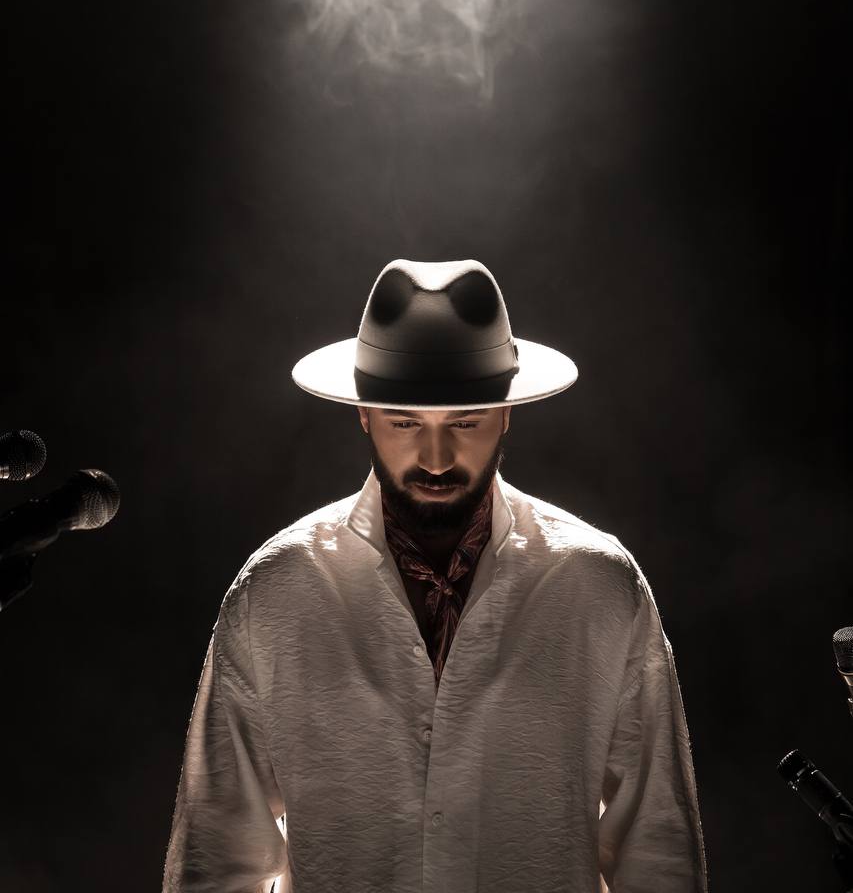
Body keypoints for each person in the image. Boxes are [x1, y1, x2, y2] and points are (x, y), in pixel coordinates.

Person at [162, 259, 707, 893]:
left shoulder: (598, 586)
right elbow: (215, 857)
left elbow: (659, 853)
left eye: (466, 422)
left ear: (506, 412)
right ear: (363, 414)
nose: (438, 458)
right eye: (405, 422)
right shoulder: (277, 592)